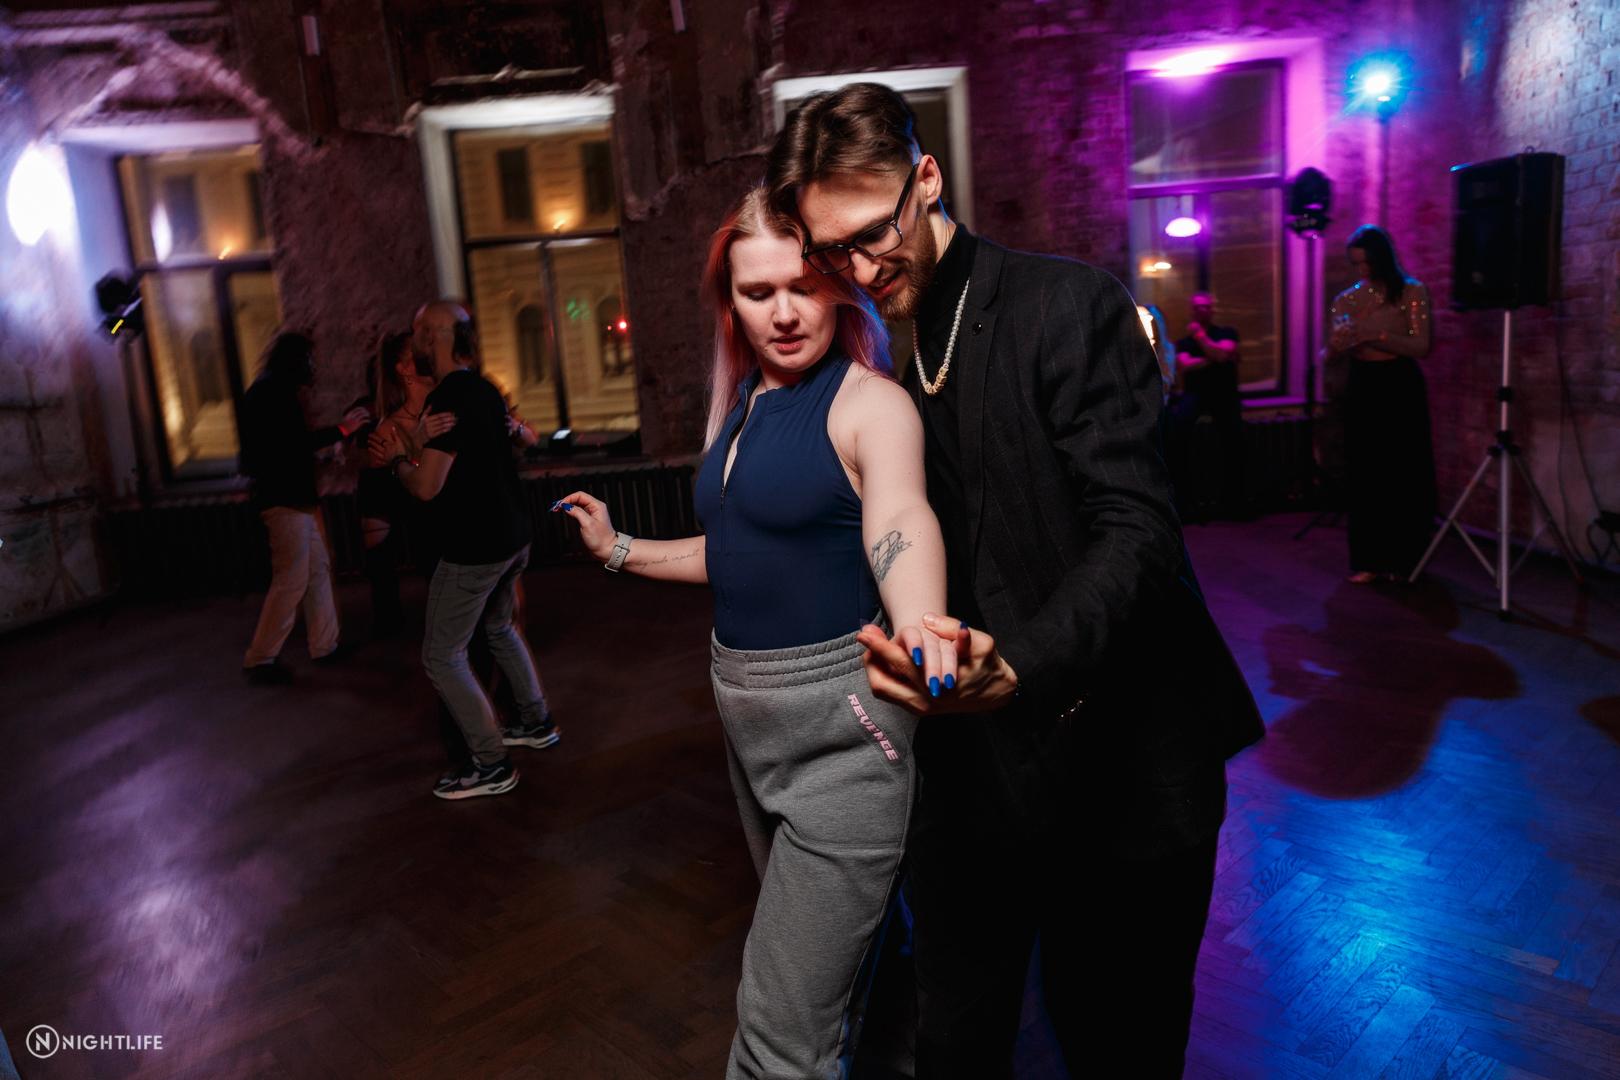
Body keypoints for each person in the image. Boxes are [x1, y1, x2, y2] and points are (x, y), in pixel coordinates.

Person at [766, 83, 1264, 1078]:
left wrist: (1021, 666)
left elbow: (1139, 532)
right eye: (831, 252)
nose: (858, 269)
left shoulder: (1064, 303)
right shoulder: (879, 357)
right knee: (955, 1036)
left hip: (1128, 768)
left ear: (926, 179)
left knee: (1117, 1045)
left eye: (872, 234)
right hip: (978, 775)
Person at [555, 187, 953, 1080]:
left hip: (843, 734)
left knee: (778, 1035)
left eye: (802, 286)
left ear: (837, 286)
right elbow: (741, 551)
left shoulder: (870, 405)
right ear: (729, 302)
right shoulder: (742, 406)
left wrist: (920, 622)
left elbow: (900, 521)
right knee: (855, 978)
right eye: (757, 291)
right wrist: (619, 549)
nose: (783, 313)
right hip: (753, 728)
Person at [375, 301, 557, 800]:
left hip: (474, 548)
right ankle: (536, 721)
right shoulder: (483, 389)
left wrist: (398, 459)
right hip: (513, 538)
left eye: (418, 332)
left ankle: (491, 763)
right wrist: (417, 440)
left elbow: (426, 487)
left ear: (435, 335)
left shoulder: (450, 397)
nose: (414, 343)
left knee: (441, 655)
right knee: (499, 628)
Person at [239, 331, 369, 685]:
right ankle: (260, 658)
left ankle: (325, 645)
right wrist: (343, 430)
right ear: (295, 360)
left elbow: (283, 448)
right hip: (285, 500)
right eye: (309, 359)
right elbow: (292, 445)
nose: (313, 366)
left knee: (317, 570)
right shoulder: (272, 393)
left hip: (294, 499)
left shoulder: (270, 391)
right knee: (292, 578)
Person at [1328, 224, 1436, 584]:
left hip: (1399, 383)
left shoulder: (1412, 292)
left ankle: (1405, 559)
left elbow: (1421, 346)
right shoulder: (1346, 300)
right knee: (1365, 470)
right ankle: (1368, 559)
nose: (1362, 270)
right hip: (1364, 383)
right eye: (1356, 263)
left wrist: (1375, 335)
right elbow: (1332, 352)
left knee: (1403, 470)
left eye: (1367, 262)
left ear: (1382, 258)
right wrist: (1336, 347)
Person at [357, 331, 453, 637]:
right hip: (425, 516)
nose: (428, 354)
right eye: (418, 352)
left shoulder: (449, 403)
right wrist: (418, 444)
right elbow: (403, 481)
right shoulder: (390, 427)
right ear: (404, 369)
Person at [1170, 292, 1248, 519]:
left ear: (1212, 309)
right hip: (1195, 395)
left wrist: (1201, 338)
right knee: (1178, 436)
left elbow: (1222, 356)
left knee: (1235, 444)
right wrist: (1215, 356)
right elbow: (1186, 365)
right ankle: (1185, 504)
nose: (1202, 310)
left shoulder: (1227, 332)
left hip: (1225, 396)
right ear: (1192, 310)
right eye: (1198, 307)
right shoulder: (1183, 342)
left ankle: (1235, 503)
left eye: (1206, 306)